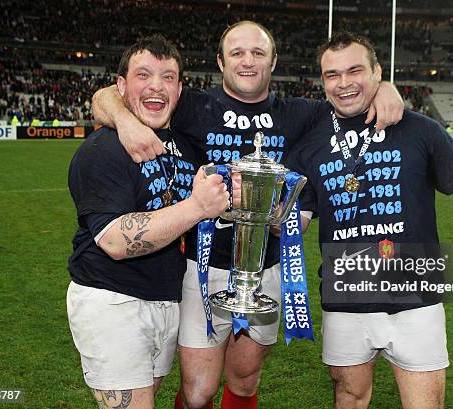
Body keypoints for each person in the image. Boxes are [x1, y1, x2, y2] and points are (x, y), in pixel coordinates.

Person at [91, 21, 404, 409]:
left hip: (266, 267)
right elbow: (107, 95)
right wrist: (123, 120)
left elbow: (351, 98)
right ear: (221, 61)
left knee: (244, 381)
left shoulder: (303, 114)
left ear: (273, 60)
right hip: (201, 268)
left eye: (258, 52)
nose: (248, 61)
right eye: (237, 52)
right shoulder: (191, 105)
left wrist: (385, 87)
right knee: (199, 391)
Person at [286, 32, 453, 409]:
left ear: (378, 72)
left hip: (415, 300)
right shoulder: (310, 145)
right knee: (349, 396)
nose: (343, 83)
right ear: (322, 81)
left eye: (354, 70)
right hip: (345, 300)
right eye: (331, 74)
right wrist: (264, 217)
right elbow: (297, 222)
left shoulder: (420, 130)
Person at [67, 35, 230, 409]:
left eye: (168, 77)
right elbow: (114, 241)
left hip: (165, 300)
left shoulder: (185, 144)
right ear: (121, 86)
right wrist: (197, 207)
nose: (156, 85)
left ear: (180, 89)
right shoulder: (102, 149)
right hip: (113, 300)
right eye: (143, 75)